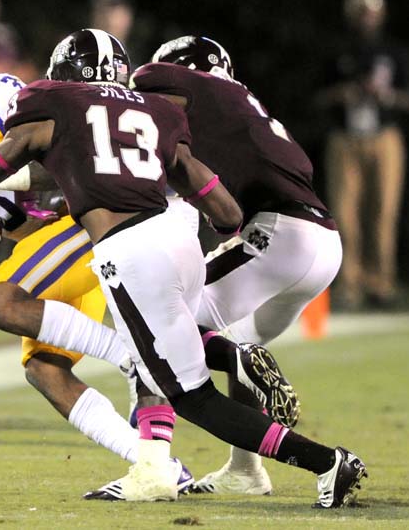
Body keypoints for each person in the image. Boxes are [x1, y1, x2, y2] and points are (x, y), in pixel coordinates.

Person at [0, 28, 368, 507]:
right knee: (176, 345)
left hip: (129, 252)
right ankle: (188, 426)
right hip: (180, 240)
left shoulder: (51, 101)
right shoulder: (155, 113)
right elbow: (227, 216)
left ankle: (324, 460)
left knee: (193, 396)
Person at [0, 33, 196, 493]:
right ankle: (156, 467)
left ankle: (134, 357)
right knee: (44, 369)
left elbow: (74, 152)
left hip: (85, 221)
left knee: (1, 302)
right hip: (46, 254)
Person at [128, 35, 343, 495]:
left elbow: (145, 80)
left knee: (158, 329)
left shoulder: (197, 88)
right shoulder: (240, 107)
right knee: (237, 339)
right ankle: (246, 471)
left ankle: (151, 468)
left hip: (280, 238)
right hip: (322, 243)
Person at [315, 0, 409, 310]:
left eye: (371, 12)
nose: (366, 19)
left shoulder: (395, 53)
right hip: (345, 137)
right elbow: (315, 95)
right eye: (361, 12)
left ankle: (381, 284)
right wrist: (342, 93)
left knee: (383, 212)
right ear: (352, 15)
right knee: (345, 214)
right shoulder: (336, 52)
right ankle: (350, 286)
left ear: (381, 15)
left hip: (385, 136)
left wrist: (384, 95)